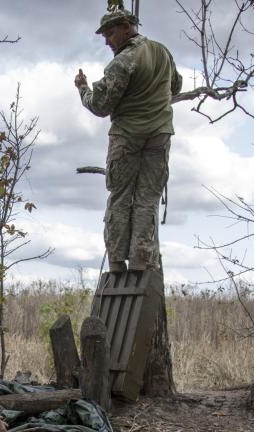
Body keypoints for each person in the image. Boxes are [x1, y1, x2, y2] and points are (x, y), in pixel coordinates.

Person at [74, 9, 182, 273]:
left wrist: (82, 88)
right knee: (148, 198)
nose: (107, 41)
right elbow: (176, 86)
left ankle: (116, 260)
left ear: (126, 27)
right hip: (160, 135)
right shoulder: (162, 52)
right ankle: (141, 259)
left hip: (127, 137)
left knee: (121, 196)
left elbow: (100, 105)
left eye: (110, 33)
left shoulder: (122, 62)